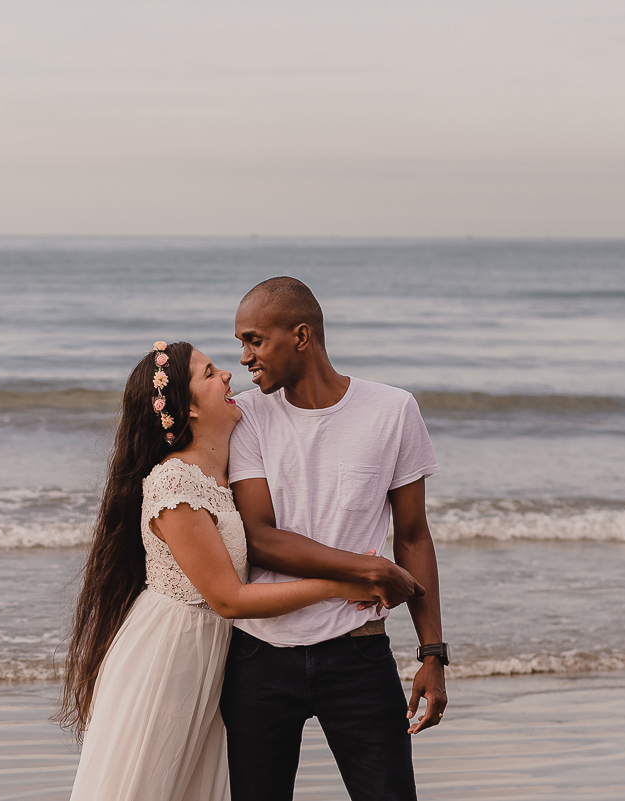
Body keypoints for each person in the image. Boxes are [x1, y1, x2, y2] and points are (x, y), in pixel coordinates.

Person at [57, 340, 402, 801]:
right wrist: (341, 584)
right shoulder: (175, 481)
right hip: (170, 656)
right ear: (190, 410)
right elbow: (229, 599)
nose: (227, 376)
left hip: (210, 654)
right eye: (209, 373)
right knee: (149, 784)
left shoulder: (218, 472)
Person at [223, 277, 449, 801]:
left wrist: (433, 653)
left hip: (358, 653)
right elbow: (259, 537)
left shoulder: (392, 410)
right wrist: (363, 569)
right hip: (260, 657)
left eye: (254, 340)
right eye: (241, 343)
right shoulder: (247, 415)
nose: (244, 357)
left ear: (300, 336)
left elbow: (413, 537)